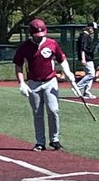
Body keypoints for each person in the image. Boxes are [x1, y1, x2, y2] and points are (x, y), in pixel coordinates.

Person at [14, 18, 81, 152]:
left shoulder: (52, 43)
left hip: (50, 81)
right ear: (31, 34)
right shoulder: (24, 47)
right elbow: (18, 66)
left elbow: (62, 59)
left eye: (42, 35)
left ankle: (54, 140)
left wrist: (68, 73)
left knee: (53, 110)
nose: (40, 38)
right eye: (37, 36)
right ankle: (40, 142)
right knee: (38, 113)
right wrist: (21, 83)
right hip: (33, 83)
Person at [75, 21, 99, 99]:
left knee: (90, 75)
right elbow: (83, 48)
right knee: (91, 74)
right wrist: (83, 59)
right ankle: (77, 87)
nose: (93, 31)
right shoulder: (85, 36)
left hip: (88, 58)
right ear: (89, 27)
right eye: (93, 29)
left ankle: (87, 92)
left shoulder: (86, 36)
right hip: (87, 58)